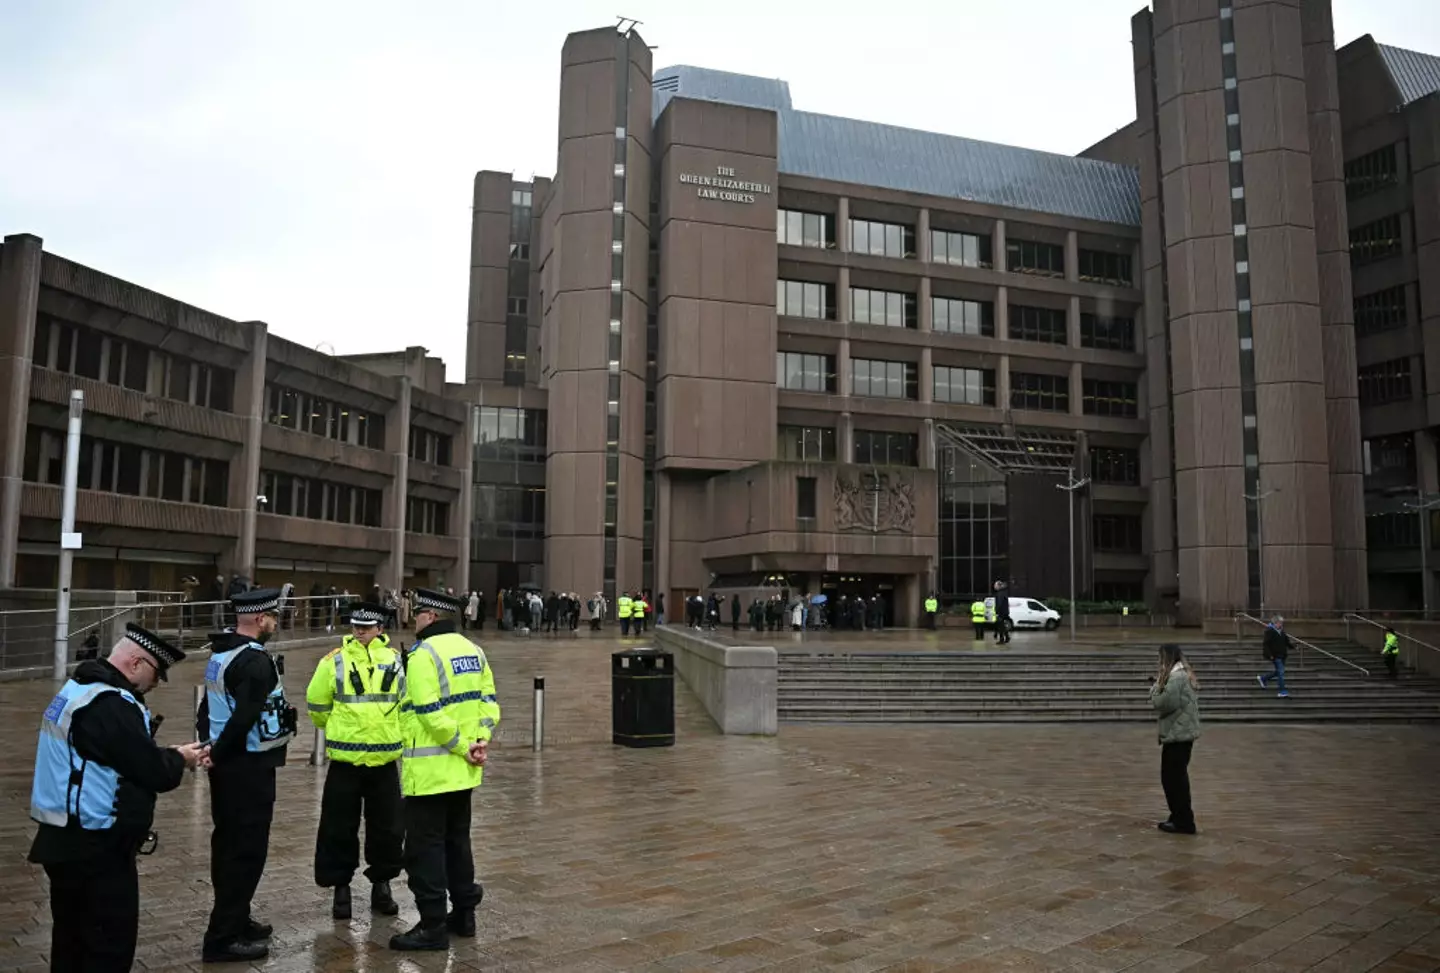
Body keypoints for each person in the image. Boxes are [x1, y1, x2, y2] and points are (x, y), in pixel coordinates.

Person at [29, 624, 207, 972]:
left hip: (63, 837)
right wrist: (179, 758)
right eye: (157, 674)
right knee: (106, 946)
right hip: (96, 847)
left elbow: (111, 755)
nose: (155, 684)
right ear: (137, 663)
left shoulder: (78, 689)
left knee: (71, 941)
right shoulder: (110, 703)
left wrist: (158, 754)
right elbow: (152, 772)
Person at [390, 589, 501, 951]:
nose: (414, 618)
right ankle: (464, 915)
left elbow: (428, 711)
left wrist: (459, 744)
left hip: (431, 770)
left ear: (431, 617)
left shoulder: (424, 655)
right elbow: (488, 702)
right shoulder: (474, 650)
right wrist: (479, 741)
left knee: (425, 849)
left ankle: (433, 925)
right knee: (458, 842)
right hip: (465, 770)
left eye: (418, 613)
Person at [199, 588, 297, 963]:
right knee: (244, 851)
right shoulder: (254, 662)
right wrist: (219, 754)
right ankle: (223, 937)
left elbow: (209, 708)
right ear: (260, 619)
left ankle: (236, 918)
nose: (274, 622)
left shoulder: (221, 653)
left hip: (228, 765)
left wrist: (209, 750)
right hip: (247, 766)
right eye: (272, 617)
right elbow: (243, 719)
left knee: (228, 845)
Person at [305, 602, 404, 921]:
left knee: (387, 829)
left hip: (384, 759)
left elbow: (406, 702)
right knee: (337, 828)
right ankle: (341, 890)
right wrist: (337, 730)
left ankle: (382, 885)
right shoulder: (333, 661)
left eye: (366, 627)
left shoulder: (396, 661)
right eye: (355, 626)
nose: (360, 632)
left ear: (380, 629)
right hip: (346, 761)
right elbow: (317, 703)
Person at [1149, 644, 1200, 835]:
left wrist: (1155, 687)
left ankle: (1184, 821)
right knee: (1175, 778)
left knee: (1173, 780)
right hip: (1180, 734)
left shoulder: (1176, 678)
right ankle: (1179, 816)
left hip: (1178, 736)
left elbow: (1162, 703)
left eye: (1160, 658)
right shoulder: (1181, 675)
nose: (1158, 662)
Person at [1258, 614, 1291, 698]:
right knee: (1281, 673)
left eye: (1282, 623)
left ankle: (1263, 678)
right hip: (1275, 655)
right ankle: (1282, 691)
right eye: (1279, 623)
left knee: (1278, 672)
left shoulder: (1282, 632)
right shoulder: (1270, 631)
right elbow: (1266, 644)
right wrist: (1270, 655)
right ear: (1275, 623)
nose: (1281, 624)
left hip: (1282, 655)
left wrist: (1294, 647)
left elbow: (1286, 642)